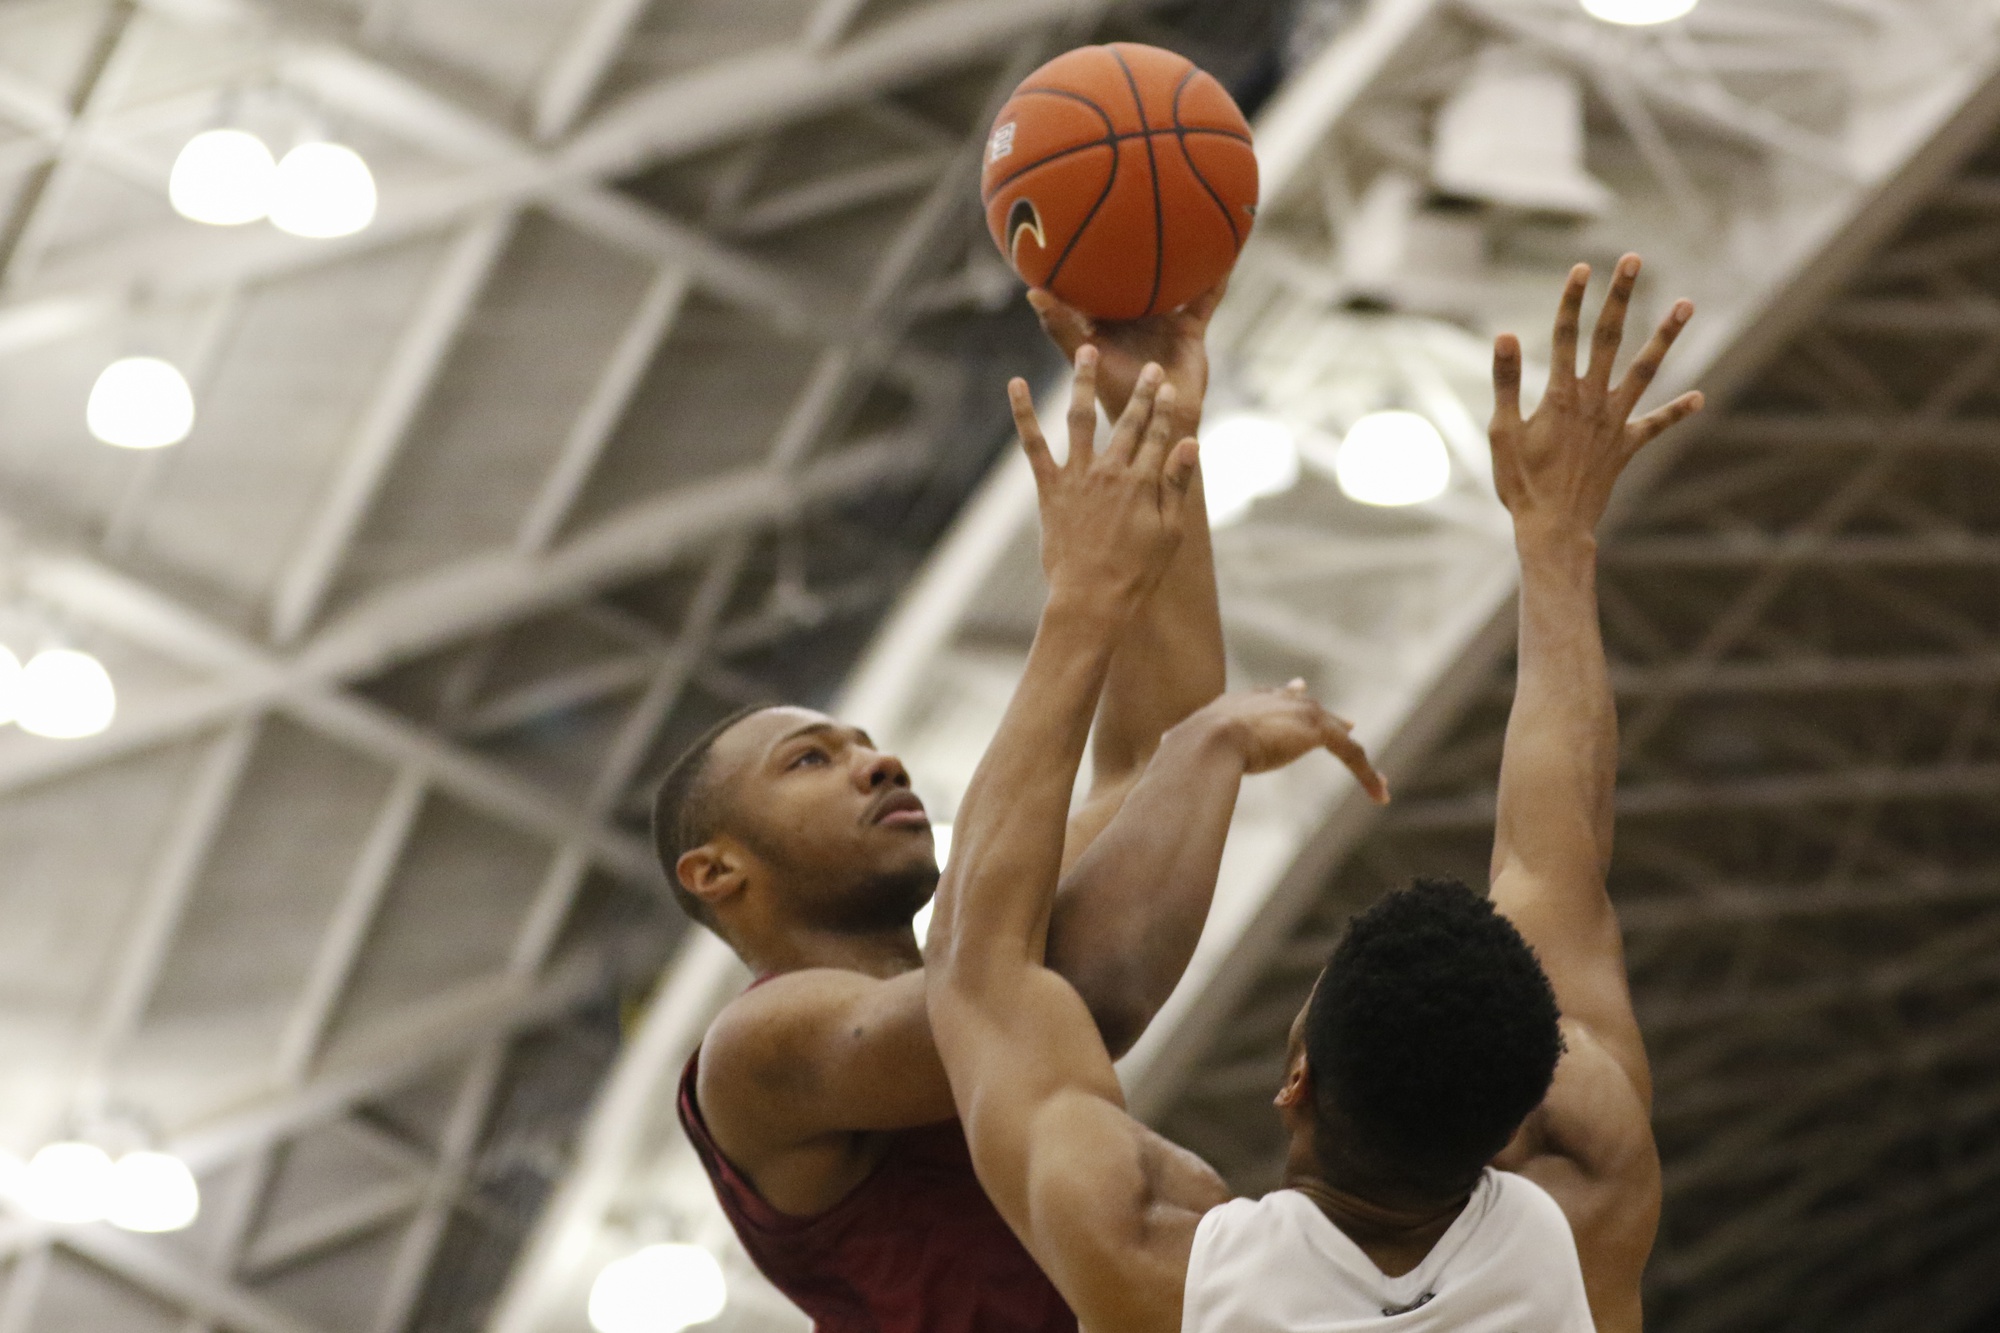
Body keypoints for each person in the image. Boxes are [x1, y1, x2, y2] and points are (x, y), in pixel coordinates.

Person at [924, 254, 1704, 1333]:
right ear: (1526, 1109)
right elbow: (1555, 857)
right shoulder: (1588, 1201)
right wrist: (1556, 540)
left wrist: (1087, 600)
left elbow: (978, 964)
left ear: (1297, 1080)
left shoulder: (1160, 1259)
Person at [656, 288, 1386, 1333]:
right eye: (811, 759)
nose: (878, 761)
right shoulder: (754, 1048)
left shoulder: (984, 945)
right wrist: (1081, 605)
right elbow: (1043, 997)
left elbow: (1151, 753)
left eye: (865, 742)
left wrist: (1158, 419)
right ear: (717, 869)